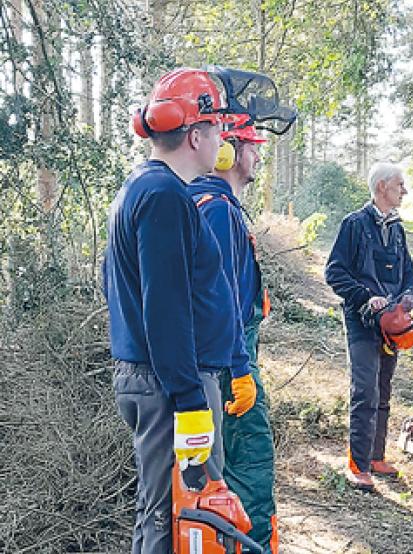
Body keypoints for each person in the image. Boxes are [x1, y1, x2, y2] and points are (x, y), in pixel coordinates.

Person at [104, 68, 255, 552]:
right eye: (217, 129)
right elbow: (164, 311)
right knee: (185, 522)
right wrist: (191, 400)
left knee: (165, 515)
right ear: (196, 135)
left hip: (157, 381)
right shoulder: (164, 197)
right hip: (170, 388)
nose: (222, 141)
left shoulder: (145, 190)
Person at [188, 122, 279, 550]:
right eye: (252, 147)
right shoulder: (218, 209)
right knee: (251, 460)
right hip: (229, 361)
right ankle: (251, 544)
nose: (258, 156)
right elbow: (220, 299)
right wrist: (241, 369)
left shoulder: (215, 203)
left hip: (227, 355)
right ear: (227, 151)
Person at [325, 162, 413, 490]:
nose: (404, 191)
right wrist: (366, 297)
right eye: (400, 185)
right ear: (382, 188)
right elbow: (334, 272)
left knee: (384, 387)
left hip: (392, 326)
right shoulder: (353, 225)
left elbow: (410, 272)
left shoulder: (397, 228)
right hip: (361, 321)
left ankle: (376, 456)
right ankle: (358, 463)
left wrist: (407, 299)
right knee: (365, 389)